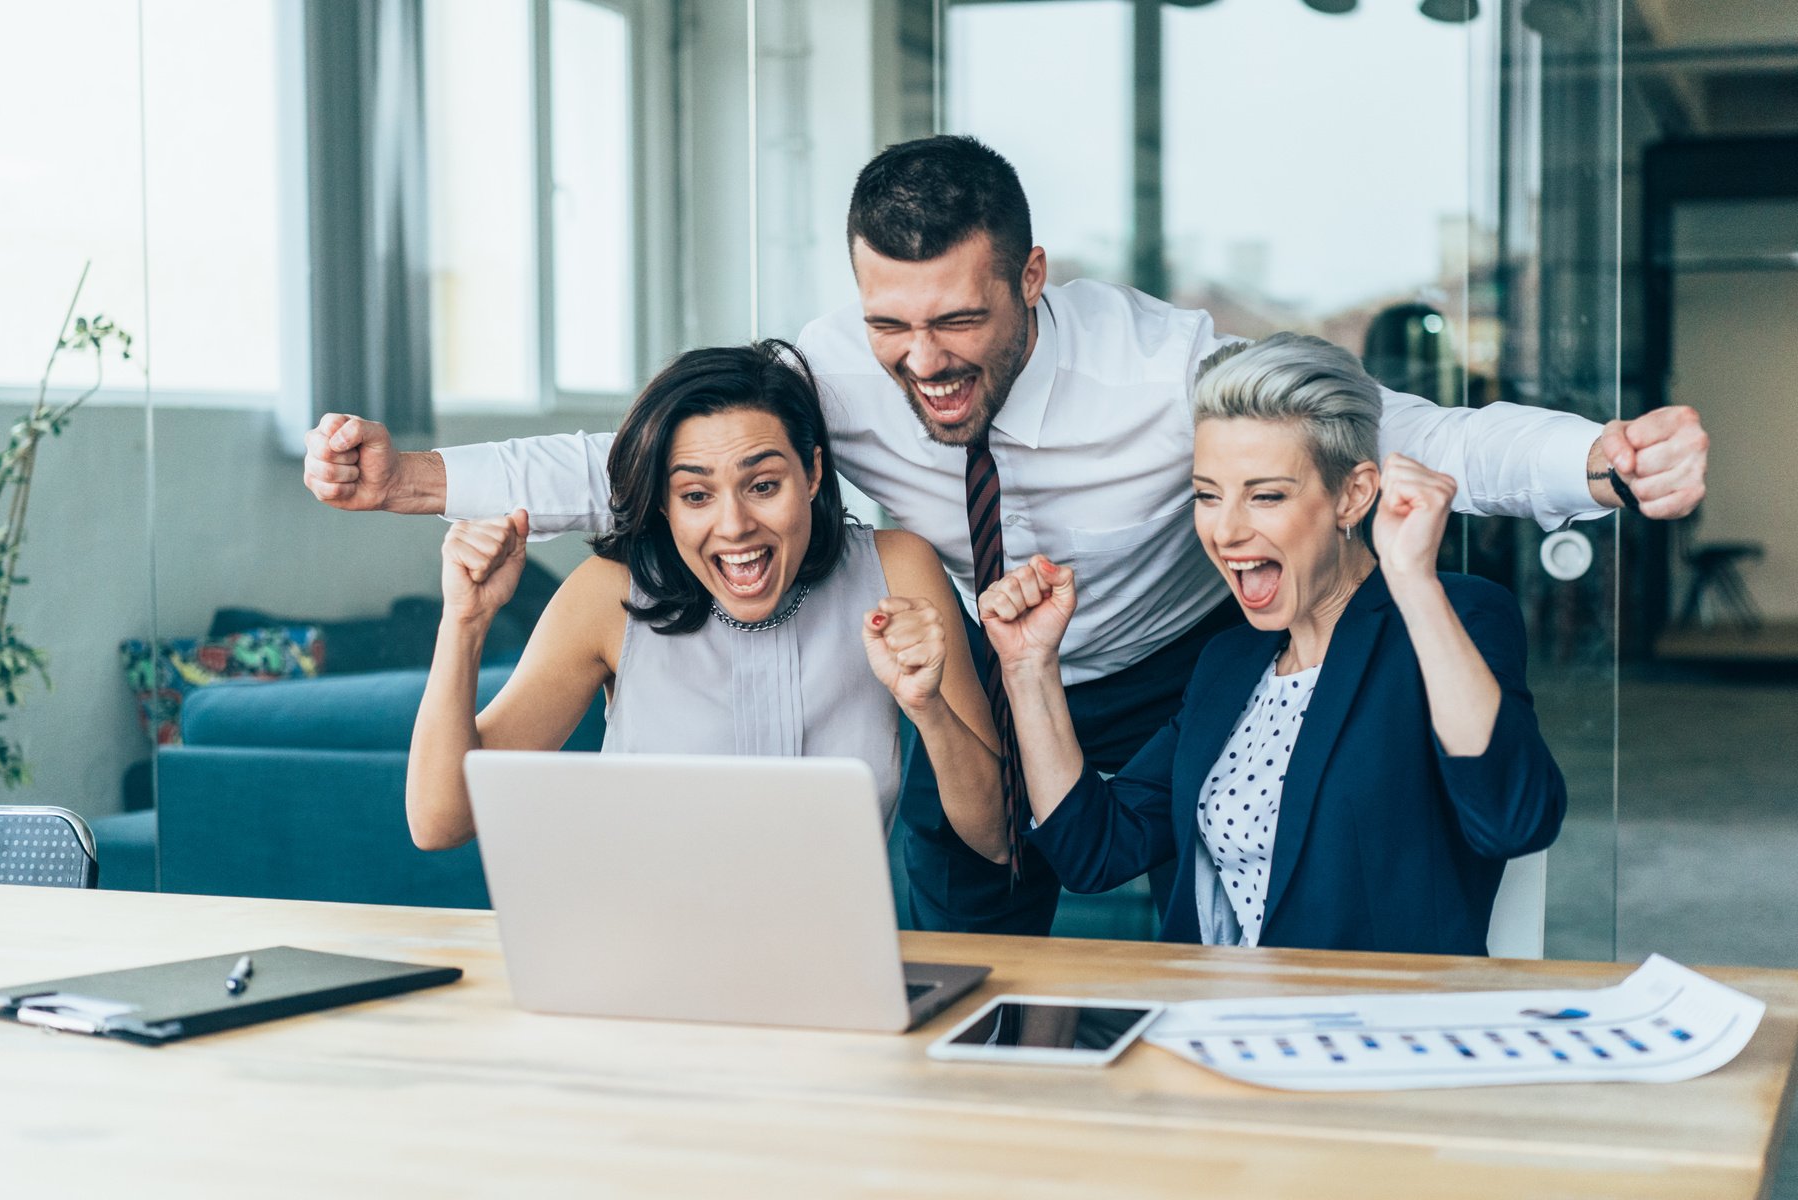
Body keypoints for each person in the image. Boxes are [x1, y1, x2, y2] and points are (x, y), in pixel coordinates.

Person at [307, 136, 1704, 937]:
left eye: (960, 322)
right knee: (960, 941)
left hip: (1175, 668)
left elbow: (1398, 428)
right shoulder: (834, 373)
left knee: (1209, 905)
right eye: (892, 326)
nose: (923, 364)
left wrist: (1594, 455)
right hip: (984, 674)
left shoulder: (1163, 363)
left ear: (1032, 277)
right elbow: (640, 463)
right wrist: (413, 478)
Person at [979, 334, 1566, 952]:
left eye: (1266, 496)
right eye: (1207, 495)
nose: (1226, 529)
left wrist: (1412, 580)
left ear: (1353, 495)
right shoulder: (1229, 662)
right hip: (1215, 1024)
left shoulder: (1452, 616)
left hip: (1375, 1031)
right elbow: (1094, 851)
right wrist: (1028, 665)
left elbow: (1513, 820)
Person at [405, 342, 1007, 865]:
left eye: (764, 486)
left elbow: (997, 837)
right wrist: (464, 623)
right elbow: (442, 821)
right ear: (665, 504)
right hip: (644, 966)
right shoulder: (607, 596)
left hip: (826, 971)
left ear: (813, 473)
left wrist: (928, 707)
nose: (735, 525)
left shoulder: (895, 570)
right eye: (696, 494)